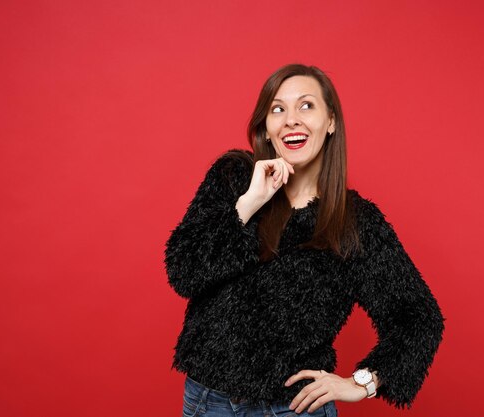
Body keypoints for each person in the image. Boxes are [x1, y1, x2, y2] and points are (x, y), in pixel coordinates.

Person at [164, 64, 445, 417]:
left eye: (306, 106)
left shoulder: (355, 222)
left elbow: (418, 316)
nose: (291, 120)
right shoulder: (234, 178)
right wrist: (249, 203)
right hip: (208, 403)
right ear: (266, 127)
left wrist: (363, 382)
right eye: (277, 109)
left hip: (292, 409)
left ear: (330, 123)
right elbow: (183, 271)